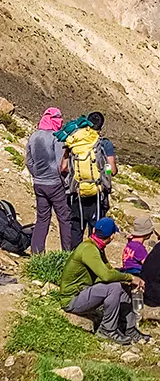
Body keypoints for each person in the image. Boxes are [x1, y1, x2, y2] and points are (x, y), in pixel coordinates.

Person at [59, 217, 147, 345]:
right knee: (115, 287)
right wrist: (131, 277)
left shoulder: (96, 246)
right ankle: (107, 329)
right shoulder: (89, 250)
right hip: (72, 299)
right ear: (112, 237)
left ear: (94, 230)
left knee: (122, 285)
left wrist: (128, 281)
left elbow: (109, 269)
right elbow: (105, 275)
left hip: (83, 292)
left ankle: (129, 328)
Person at [61, 111, 117, 248]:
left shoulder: (74, 141)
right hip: (97, 194)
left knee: (76, 230)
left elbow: (63, 167)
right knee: (96, 231)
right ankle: (92, 261)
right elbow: (112, 170)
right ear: (101, 126)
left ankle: (73, 261)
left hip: (77, 193)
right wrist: (105, 172)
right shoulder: (104, 144)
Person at [26, 107, 71, 253]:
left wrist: (37, 175)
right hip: (55, 184)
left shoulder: (33, 136)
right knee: (64, 218)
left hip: (39, 183)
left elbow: (29, 161)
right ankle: (67, 254)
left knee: (42, 219)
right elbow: (61, 165)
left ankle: (37, 253)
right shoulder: (56, 137)